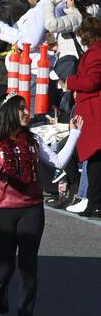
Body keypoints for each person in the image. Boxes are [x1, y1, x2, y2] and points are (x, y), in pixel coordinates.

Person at [0, 97, 81, 316]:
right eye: (21, 108)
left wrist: (74, 135)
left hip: (32, 210)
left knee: (28, 266)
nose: (27, 112)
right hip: (2, 211)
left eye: (27, 108)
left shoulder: (34, 140)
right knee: (4, 265)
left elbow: (57, 162)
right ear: (10, 112)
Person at [63, 16, 101, 215]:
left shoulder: (95, 54)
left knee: (95, 160)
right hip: (93, 109)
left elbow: (91, 82)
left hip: (94, 112)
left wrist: (69, 83)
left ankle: (94, 203)